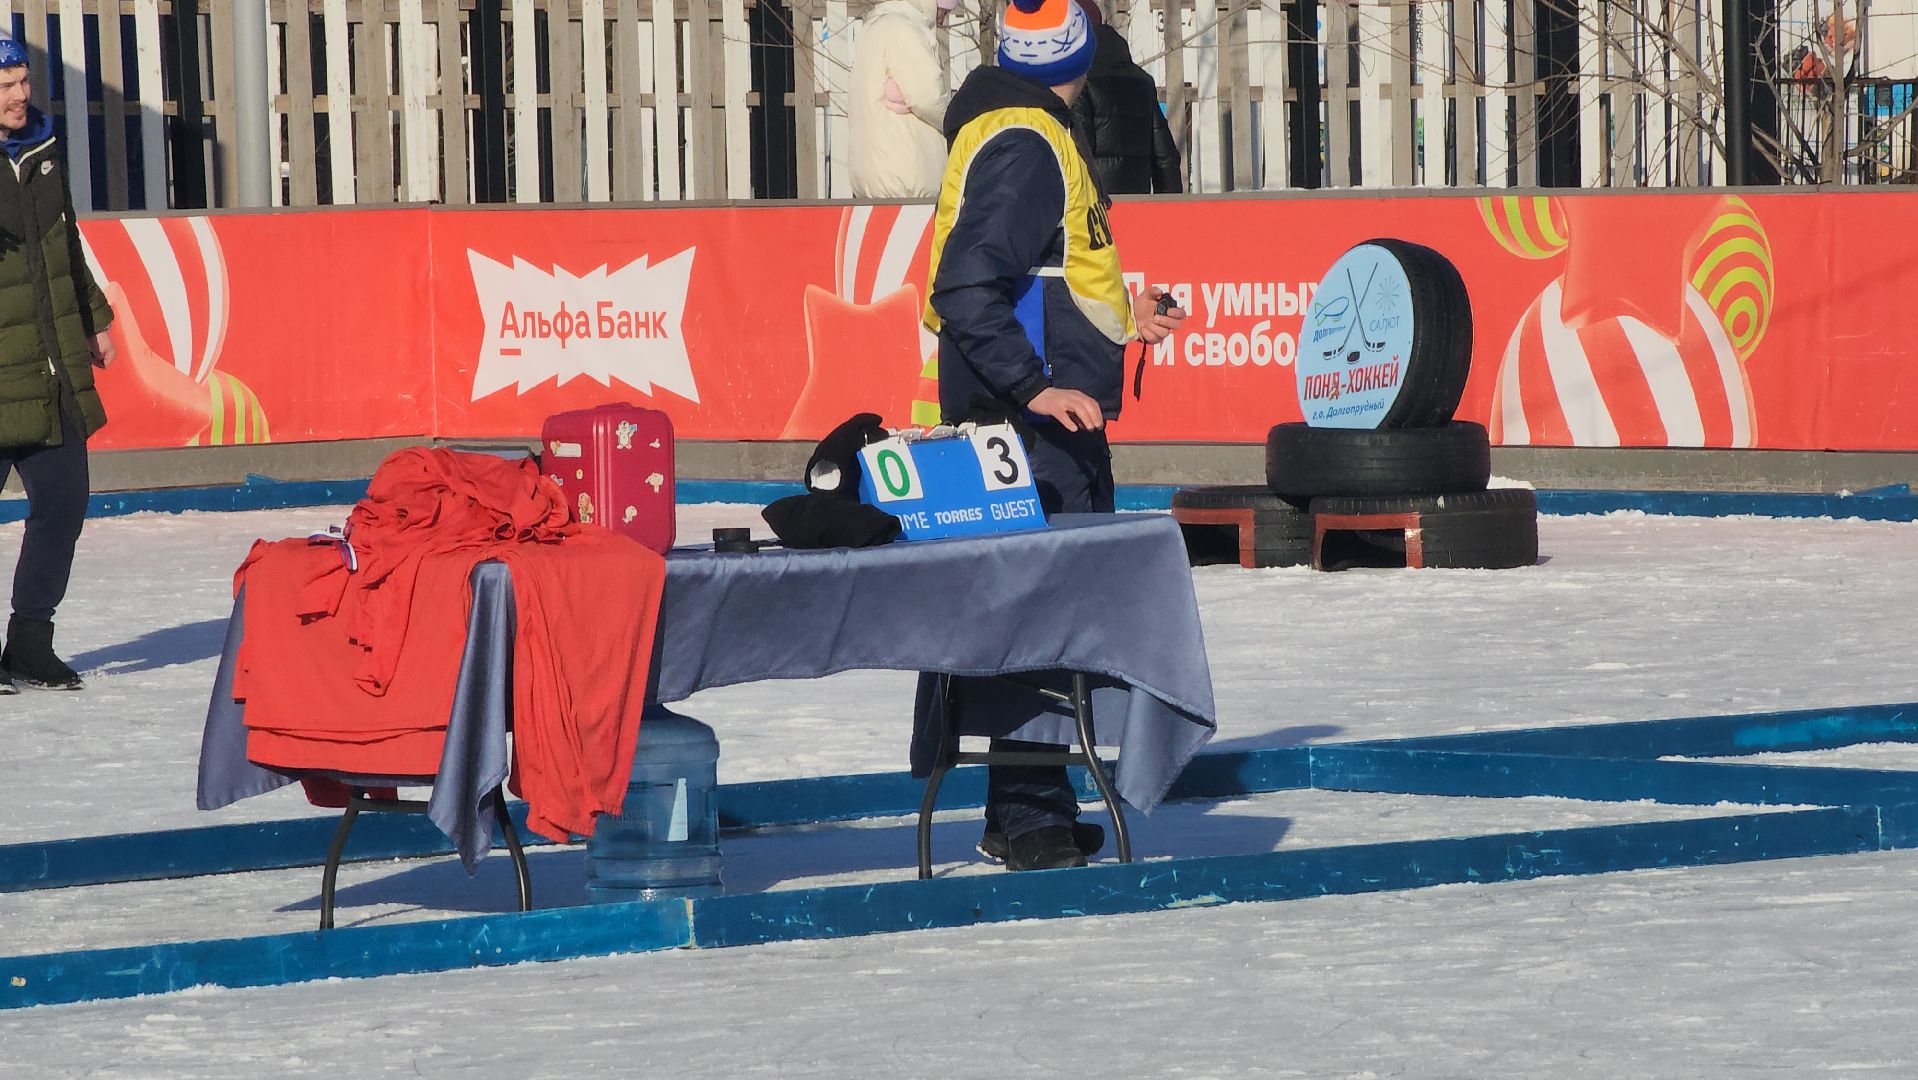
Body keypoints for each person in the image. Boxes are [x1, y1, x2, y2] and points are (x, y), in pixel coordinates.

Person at [922, 0, 1184, 872]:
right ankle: (1028, 808)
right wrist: (1036, 389)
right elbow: (968, 289)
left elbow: (1046, 277)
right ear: (1086, 46)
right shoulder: (1029, 143)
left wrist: (1123, 319)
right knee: (1033, 617)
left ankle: (1033, 799)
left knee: (1048, 615)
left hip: (1032, 425)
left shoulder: (1016, 124)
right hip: (1023, 432)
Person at [0, 34, 116, 693]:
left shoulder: (42, 149)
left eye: (23, 81)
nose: (22, 95)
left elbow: (63, 239)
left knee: (65, 502)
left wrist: (93, 318)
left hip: (49, 363)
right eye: (8, 85)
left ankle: (30, 641)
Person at [1070, 2, 1184, 194]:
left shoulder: (1079, 82)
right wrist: (1169, 209)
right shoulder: (1142, 81)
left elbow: (1079, 155)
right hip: (1136, 207)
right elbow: (1165, 157)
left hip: (1095, 210)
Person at [848, 0, 958, 198]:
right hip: (906, 175)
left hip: (872, 172)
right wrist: (956, 123)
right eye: (945, 11)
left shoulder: (874, 27)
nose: (942, 19)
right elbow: (927, 98)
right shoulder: (905, 31)